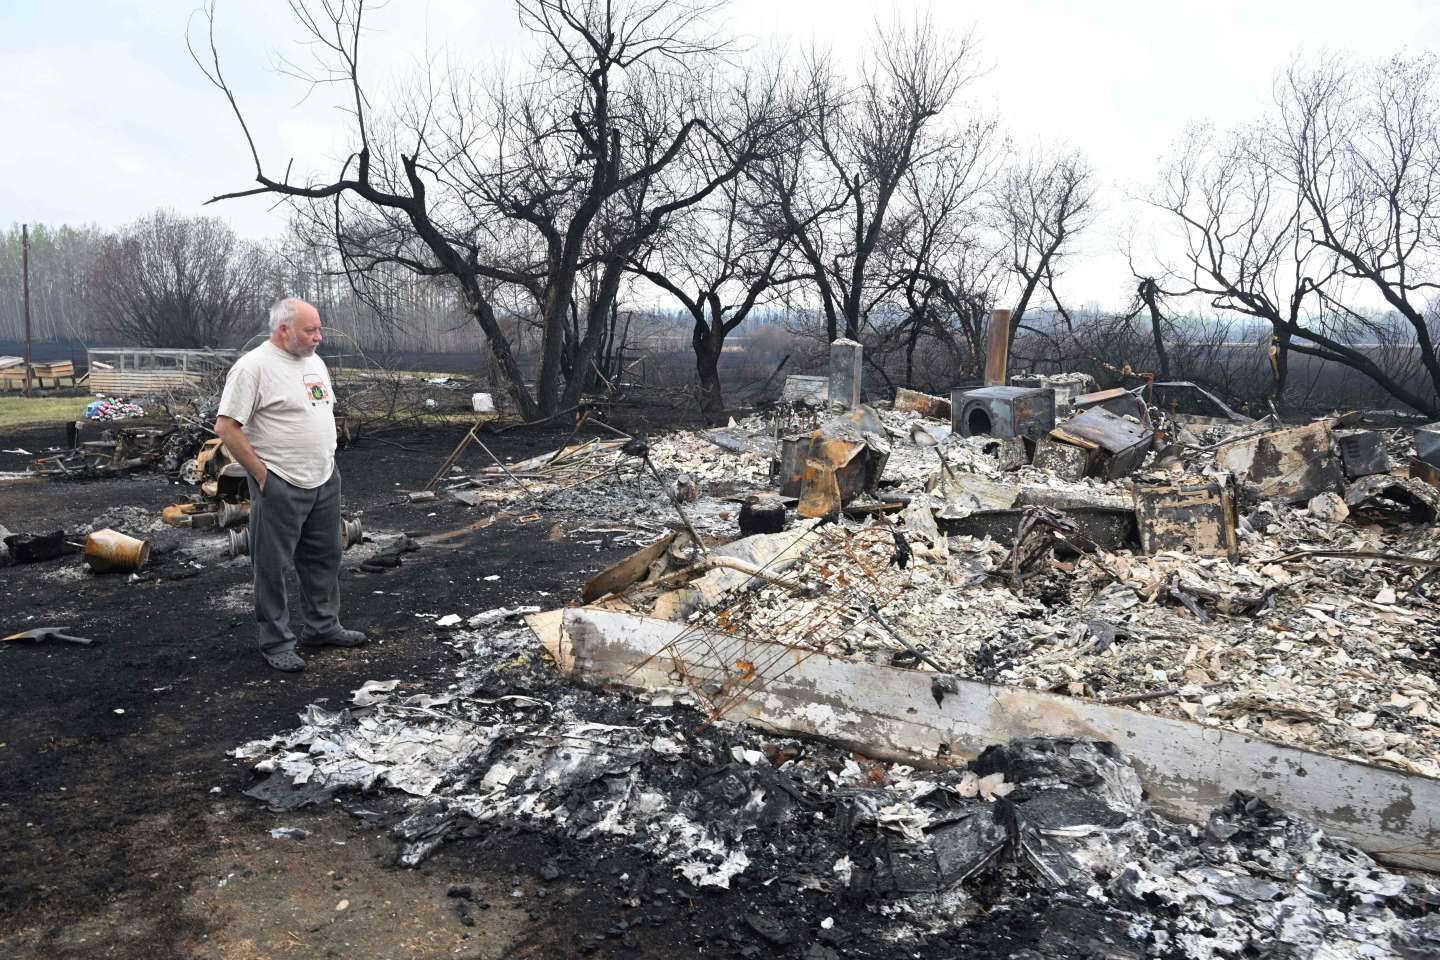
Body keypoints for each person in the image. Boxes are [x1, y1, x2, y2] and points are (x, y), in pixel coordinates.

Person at [214, 297, 367, 671]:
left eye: (319, 329)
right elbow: (226, 427)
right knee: (271, 564)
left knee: (325, 555)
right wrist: (263, 476)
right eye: (310, 330)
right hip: (280, 480)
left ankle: (322, 626)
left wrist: (328, 462)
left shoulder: (314, 363)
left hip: (324, 476)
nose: (319, 338)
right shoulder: (253, 368)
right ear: (284, 330)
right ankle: (277, 641)